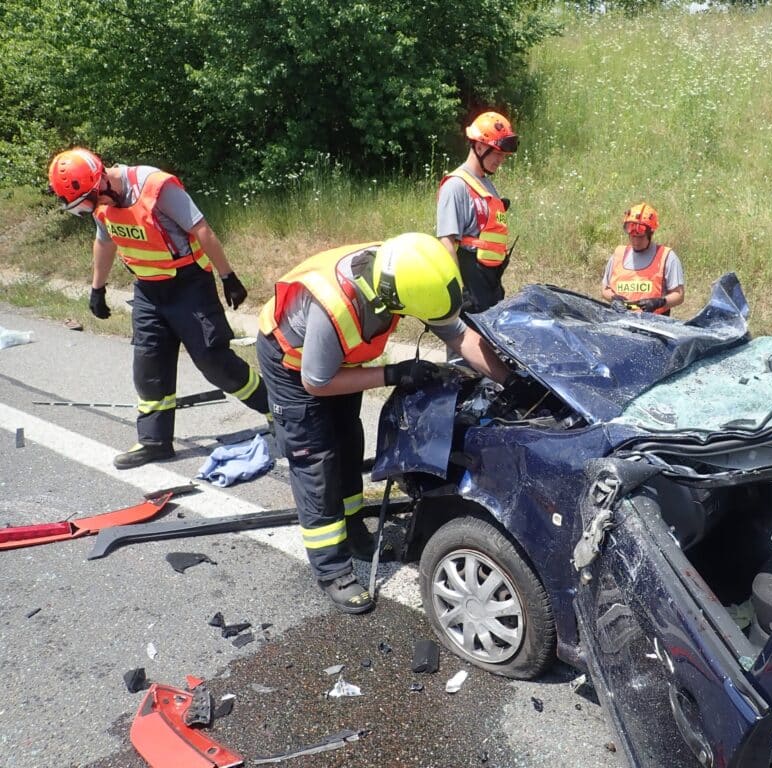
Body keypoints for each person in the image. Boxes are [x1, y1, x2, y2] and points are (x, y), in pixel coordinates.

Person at [256, 232, 510, 614]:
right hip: (293, 366)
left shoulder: (403, 271)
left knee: (347, 437)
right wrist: (392, 374)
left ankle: (354, 527)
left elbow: (458, 334)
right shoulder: (335, 307)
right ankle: (332, 568)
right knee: (317, 460)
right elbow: (317, 382)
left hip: (339, 360)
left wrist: (511, 379)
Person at [47, 147, 270, 469]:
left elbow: (201, 228)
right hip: (149, 292)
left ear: (101, 182)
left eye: (91, 201)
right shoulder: (102, 206)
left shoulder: (156, 186)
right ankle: (154, 442)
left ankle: (276, 410)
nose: (92, 209)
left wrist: (228, 276)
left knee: (214, 362)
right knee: (149, 366)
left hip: (189, 286)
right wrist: (97, 288)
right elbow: (105, 241)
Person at [437, 111, 518, 314]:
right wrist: (458, 292)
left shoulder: (487, 185)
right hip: (469, 286)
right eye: (497, 153)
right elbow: (446, 243)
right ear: (479, 146)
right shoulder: (456, 186)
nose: (501, 159)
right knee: (468, 345)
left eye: (503, 155)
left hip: (490, 283)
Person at [601, 203, 685, 315]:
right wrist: (614, 299)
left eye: (640, 237)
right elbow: (605, 290)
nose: (636, 242)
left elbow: (679, 295)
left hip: (653, 325)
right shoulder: (618, 255)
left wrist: (660, 302)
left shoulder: (667, 257)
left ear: (651, 234)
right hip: (619, 324)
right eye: (633, 237)